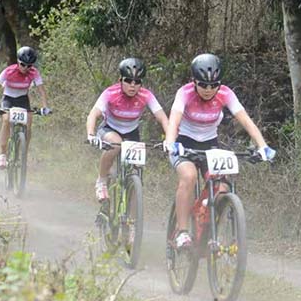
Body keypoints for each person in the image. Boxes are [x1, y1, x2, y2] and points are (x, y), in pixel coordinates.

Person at [163, 53, 276, 248]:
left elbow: (246, 121)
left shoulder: (225, 94)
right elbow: (174, 118)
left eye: (213, 85)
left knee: (222, 188)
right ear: (194, 82)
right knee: (189, 177)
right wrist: (171, 142)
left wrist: (262, 146)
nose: (208, 89)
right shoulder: (185, 93)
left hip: (209, 144)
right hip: (183, 143)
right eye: (203, 84)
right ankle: (181, 232)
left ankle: (206, 224)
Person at [85, 57, 169, 201]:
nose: (133, 85)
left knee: (137, 169)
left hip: (131, 133)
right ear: (120, 80)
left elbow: (162, 117)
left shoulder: (146, 95)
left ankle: (132, 214)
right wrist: (91, 134)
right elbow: (93, 114)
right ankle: (101, 181)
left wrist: (169, 138)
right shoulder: (111, 93)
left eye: (137, 82)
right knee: (115, 144)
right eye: (128, 80)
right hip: (109, 128)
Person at [0, 46, 51, 169]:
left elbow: (42, 91)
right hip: (8, 99)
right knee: (6, 120)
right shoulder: (8, 71)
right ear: (18, 61)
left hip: (22, 100)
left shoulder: (34, 73)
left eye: (29, 66)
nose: (25, 68)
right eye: (23, 64)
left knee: (29, 123)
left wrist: (45, 107)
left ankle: (23, 154)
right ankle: (3, 154)